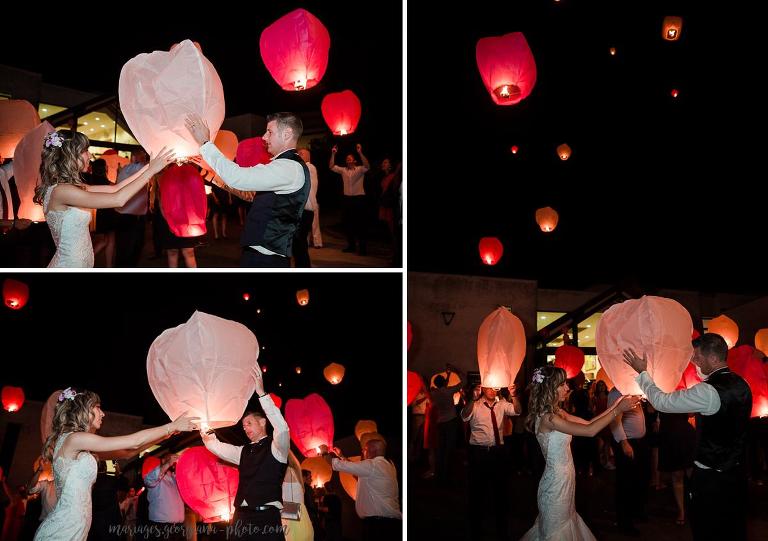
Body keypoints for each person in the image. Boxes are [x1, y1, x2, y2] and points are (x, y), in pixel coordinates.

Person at [623, 333, 753, 541]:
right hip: (737, 473)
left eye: (697, 357)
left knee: (707, 528)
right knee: (734, 528)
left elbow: (662, 402)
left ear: (713, 358)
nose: (694, 362)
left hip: (712, 477)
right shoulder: (742, 383)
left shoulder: (708, 391)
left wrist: (642, 373)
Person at [32, 387, 198, 541]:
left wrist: (165, 436)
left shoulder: (79, 446)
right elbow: (133, 442)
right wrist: (171, 426)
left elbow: (128, 452)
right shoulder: (74, 438)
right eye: (97, 407)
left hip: (78, 528)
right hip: (64, 528)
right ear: (83, 410)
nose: (103, 413)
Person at [521, 366, 641, 541]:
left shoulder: (558, 412)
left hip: (565, 481)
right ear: (549, 389)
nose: (567, 388)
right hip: (555, 485)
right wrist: (618, 410)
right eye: (561, 384)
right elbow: (591, 431)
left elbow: (589, 422)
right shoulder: (549, 418)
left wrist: (617, 404)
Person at [33, 130, 175, 267]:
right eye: (85, 151)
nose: (90, 155)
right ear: (69, 156)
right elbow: (118, 199)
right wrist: (151, 171)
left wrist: (149, 166)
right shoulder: (62, 191)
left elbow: (116, 188)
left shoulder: (68, 187)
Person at [185, 112, 309, 268]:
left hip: (267, 258)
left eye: (269, 131)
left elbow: (238, 177)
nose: (264, 137)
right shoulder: (285, 166)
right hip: (262, 254)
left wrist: (205, 143)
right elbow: (249, 195)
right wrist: (211, 174)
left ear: (287, 134)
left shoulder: (289, 168)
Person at [199, 371, 290, 540]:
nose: (245, 428)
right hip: (240, 517)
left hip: (266, 519)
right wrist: (206, 432)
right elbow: (215, 446)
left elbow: (282, 428)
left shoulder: (278, 448)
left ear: (262, 422)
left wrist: (262, 394)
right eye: (243, 426)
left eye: (249, 423)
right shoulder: (242, 451)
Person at [460, 382, 521, 540]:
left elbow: (517, 411)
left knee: (500, 491)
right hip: (478, 454)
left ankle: (502, 529)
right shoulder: (476, 405)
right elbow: (464, 416)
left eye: (495, 387)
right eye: (489, 387)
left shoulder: (502, 404)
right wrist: (472, 399)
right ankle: (475, 530)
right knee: (477, 492)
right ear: (482, 388)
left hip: (497, 453)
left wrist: (514, 395)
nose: (493, 390)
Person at [322, 436, 402, 541]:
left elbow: (336, 465)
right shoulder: (389, 465)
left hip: (378, 525)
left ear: (372, 451)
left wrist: (324, 452)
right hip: (388, 523)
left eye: (364, 449)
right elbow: (357, 472)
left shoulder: (372, 465)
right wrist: (341, 456)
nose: (362, 451)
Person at [608, 383, 650, 535]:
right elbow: (614, 421)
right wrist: (624, 442)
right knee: (626, 483)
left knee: (640, 479)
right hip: (627, 442)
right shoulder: (615, 393)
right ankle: (625, 522)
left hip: (639, 442)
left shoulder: (632, 390)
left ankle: (636, 511)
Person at [329, 144, 370, 255]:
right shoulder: (343, 170)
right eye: (347, 159)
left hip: (359, 199)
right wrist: (333, 153)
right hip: (347, 200)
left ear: (354, 161)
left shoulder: (360, 169)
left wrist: (360, 152)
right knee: (348, 223)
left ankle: (362, 248)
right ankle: (351, 246)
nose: (348, 160)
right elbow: (331, 166)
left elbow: (367, 166)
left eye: (350, 158)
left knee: (361, 224)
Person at [143, 454, 185, 541]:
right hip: (161, 527)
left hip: (178, 527)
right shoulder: (156, 477)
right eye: (170, 457)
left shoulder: (175, 478)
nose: (173, 460)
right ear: (162, 460)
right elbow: (149, 480)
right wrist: (167, 464)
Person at [292, 148, 317, 267]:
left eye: (301, 153)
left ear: (308, 157)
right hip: (301, 211)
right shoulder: (301, 169)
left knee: (299, 242)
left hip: (305, 212)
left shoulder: (310, 167)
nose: (298, 155)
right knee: (298, 243)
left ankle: (303, 268)